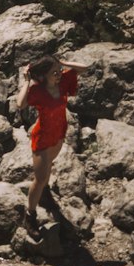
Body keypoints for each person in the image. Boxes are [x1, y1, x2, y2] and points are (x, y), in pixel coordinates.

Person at [15, 54, 87, 236]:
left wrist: (61, 62)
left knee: (48, 168)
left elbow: (84, 67)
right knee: (39, 179)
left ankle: (45, 195)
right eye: (54, 72)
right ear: (44, 76)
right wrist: (27, 81)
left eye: (59, 71)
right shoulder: (38, 91)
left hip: (59, 133)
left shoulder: (62, 83)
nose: (59, 74)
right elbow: (20, 104)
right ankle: (29, 216)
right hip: (43, 137)